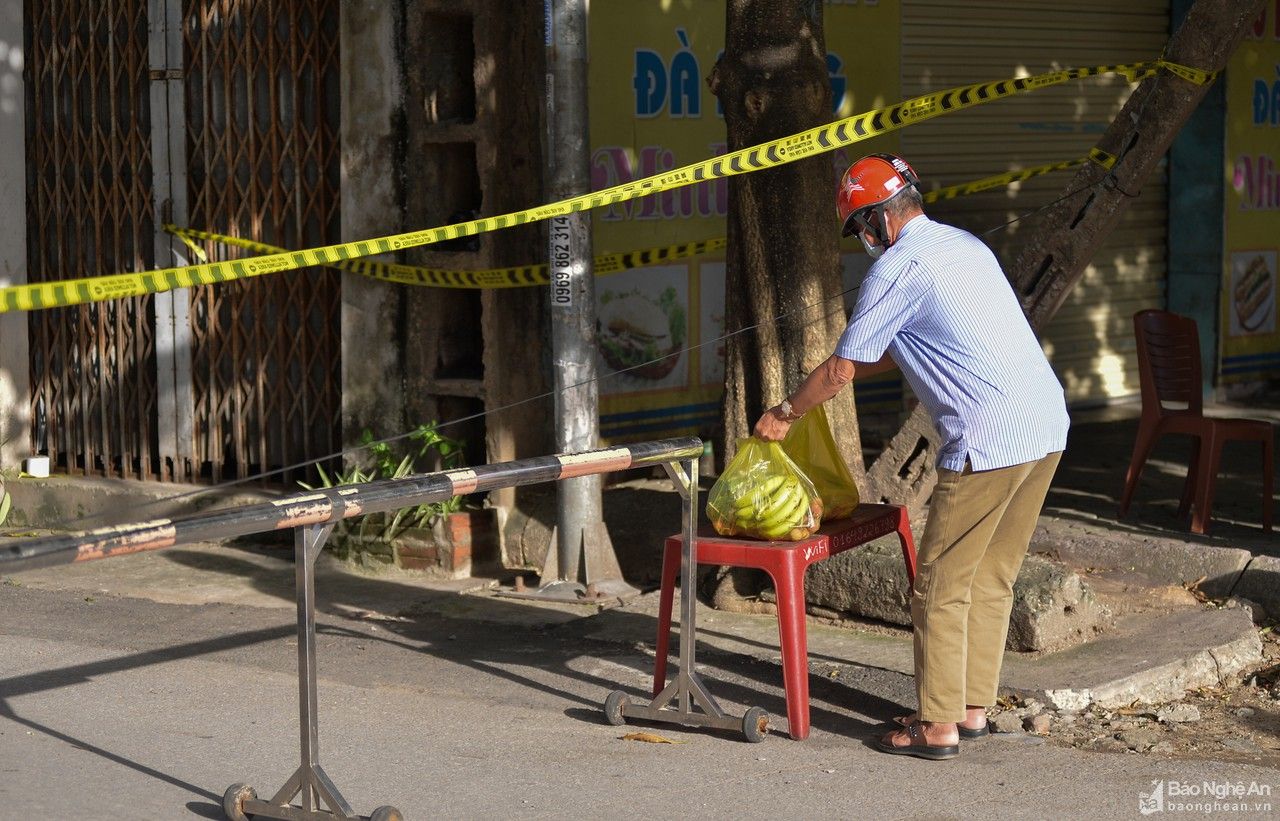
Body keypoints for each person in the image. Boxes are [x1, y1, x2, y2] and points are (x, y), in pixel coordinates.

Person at [753, 152, 1069, 761]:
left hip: (989, 438)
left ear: (876, 221)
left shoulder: (898, 267)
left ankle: (937, 726)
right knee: (991, 577)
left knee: (940, 586)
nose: (863, 241)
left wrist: (785, 413)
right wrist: (833, 367)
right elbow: (893, 349)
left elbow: (843, 369)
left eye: (860, 229)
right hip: (1045, 424)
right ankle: (970, 707)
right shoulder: (963, 245)